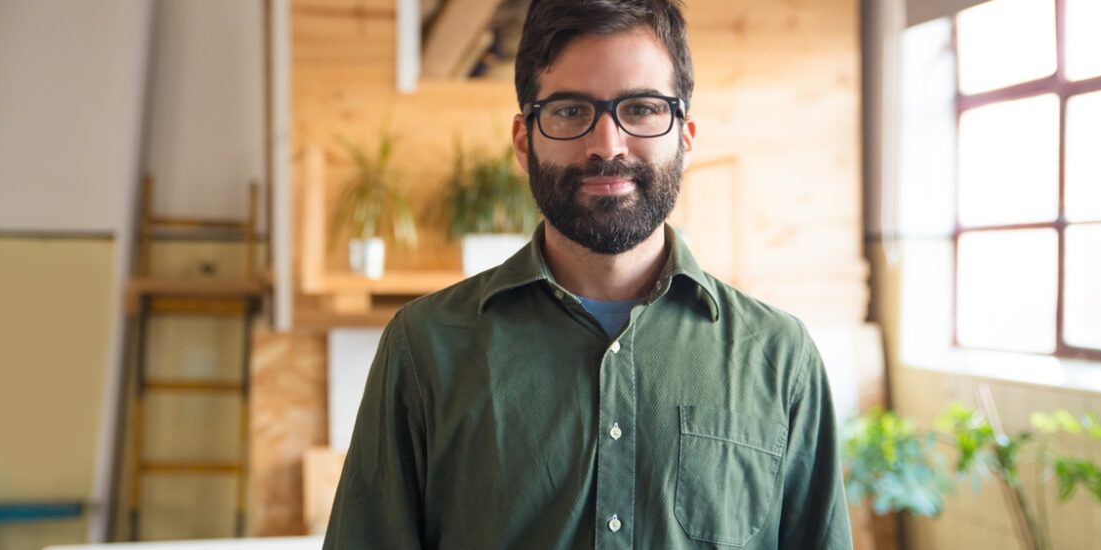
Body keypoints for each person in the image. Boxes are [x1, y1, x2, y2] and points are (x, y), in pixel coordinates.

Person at [322, 0, 853, 548]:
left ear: (686, 137)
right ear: (525, 141)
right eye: (571, 110)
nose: (607, 145)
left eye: (643, 108)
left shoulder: (779, 358)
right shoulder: (425, 347)